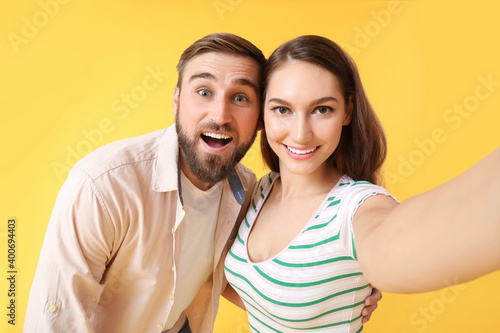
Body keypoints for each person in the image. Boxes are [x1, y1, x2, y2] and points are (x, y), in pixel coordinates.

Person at [24, 33, 380, 333]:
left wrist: (342, 287)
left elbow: (246, 273)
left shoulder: (248, 192)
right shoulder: (105, 187)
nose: (220, 115)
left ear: (260, 117)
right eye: (203, 92)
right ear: (177, 99)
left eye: (240, 98)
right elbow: (53, 317)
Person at [224, 35, 500, 332]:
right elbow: (248, 293)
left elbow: (389, 244)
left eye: (322, 109)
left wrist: (370, 274)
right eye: (282, 109)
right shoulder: (259, 190)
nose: (301, 134)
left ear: (348, 110)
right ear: (262, 113)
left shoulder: (356, 207)